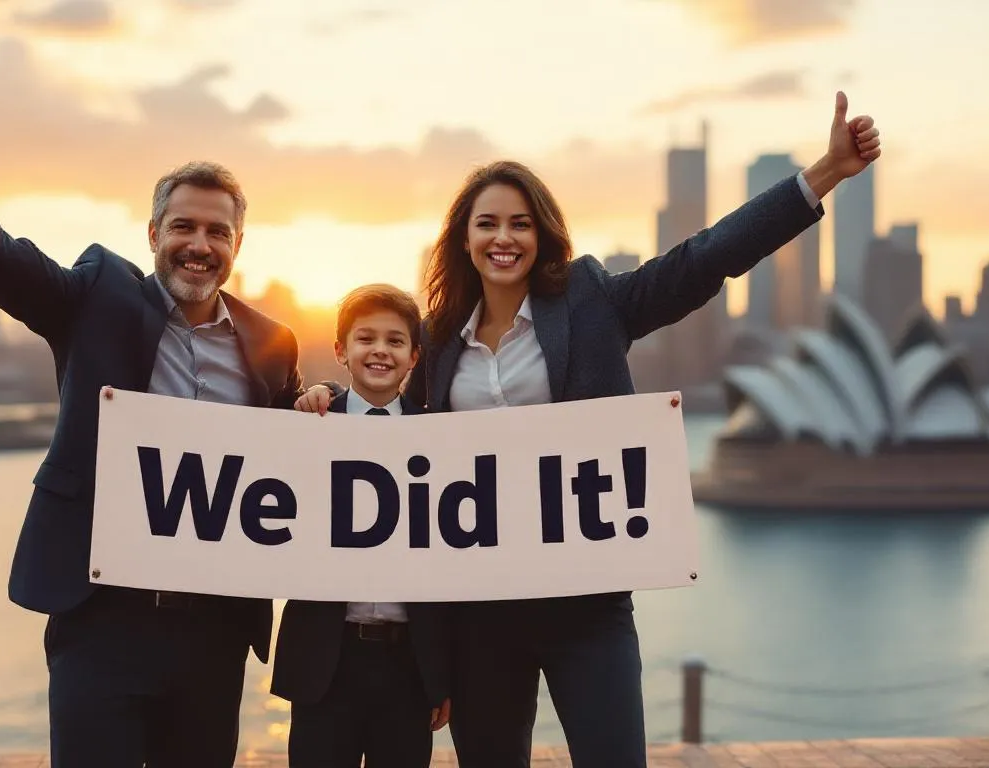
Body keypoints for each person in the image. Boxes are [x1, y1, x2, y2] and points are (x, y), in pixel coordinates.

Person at [295, 92, 882, 766]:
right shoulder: (437, 342)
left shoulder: (591, 301)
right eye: (487, 224)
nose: (503, 238)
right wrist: (325, 399)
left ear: (542, 233)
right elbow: (386, 416)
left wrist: (826, 172)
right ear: (464, 237)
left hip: (588, 607)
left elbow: (706, 258)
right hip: (482, 615)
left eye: (519, 223)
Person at [0, 26, 324, 767]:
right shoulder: (98, 295)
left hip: (213, 633)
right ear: (152, 233)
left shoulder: (274, 342)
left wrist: (319, 404)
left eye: (217, 231)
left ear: (240, 245)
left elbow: (294, 453)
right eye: (183, 227)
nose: (199, 244)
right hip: (99, 621)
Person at [270, 284, 453, 767]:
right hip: (326, 661)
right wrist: (318, 396)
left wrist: (442, 675)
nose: (379, 350)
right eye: (365, 338)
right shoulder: (310, 424)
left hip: (409, 665)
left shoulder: (441, 438)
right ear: (340, 350)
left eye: (395, 341)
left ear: (414, 357)